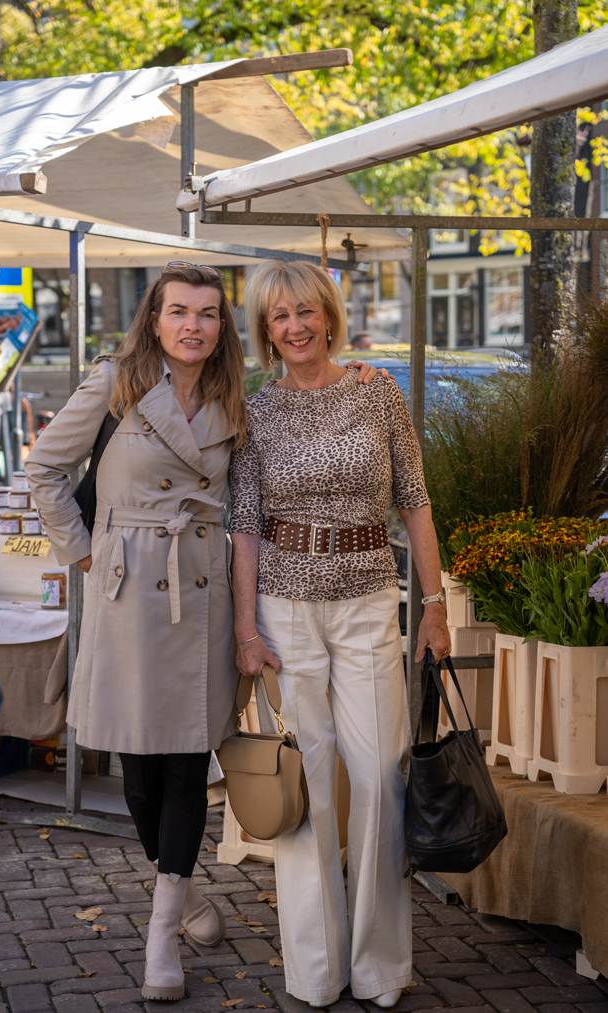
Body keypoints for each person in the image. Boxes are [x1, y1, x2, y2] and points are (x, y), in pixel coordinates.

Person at [25, 262, 381, 1003]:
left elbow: (289, 444)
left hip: (201, 595)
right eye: (178, 310)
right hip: (127, 594)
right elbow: (46, 471)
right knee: (138, 769)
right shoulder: (115, 383)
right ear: (154, 319)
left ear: (222, 326)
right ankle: (183, 896)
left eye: (208, 313)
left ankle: (161, 934)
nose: (193, 324)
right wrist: (86, 552)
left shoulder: (235, 402)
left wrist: (355, 375)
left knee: (187, 766)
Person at [229, 260, 451, 1009]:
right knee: (309, 783)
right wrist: (242, 628)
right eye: (277, 316)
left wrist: (434, 603)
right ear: (265, 331)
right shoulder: (255, 412)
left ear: (327, 315)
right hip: (284, 608)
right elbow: (244, 526)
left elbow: (414, 499)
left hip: (365, 598)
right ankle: (315, 970)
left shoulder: (376, 390)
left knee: (381, 778)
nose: (293, 326)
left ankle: (381, 964)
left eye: (304, 312)